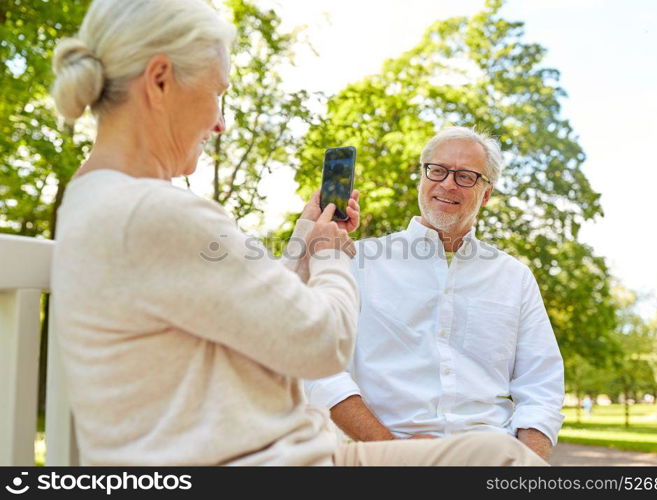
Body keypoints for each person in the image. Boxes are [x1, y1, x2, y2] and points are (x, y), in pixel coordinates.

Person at [50, 0, 544, 466]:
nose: (219, 123)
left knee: (495, 456)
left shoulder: (96, 198)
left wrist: (308, 239)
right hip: (284, 461)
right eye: (218, 93)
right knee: (499, 460)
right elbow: (321, 342)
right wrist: (332, 255)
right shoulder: (157, 213)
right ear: (160, 80)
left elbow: (260, 311)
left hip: (284, 454)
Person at [306, 127, 565, 462]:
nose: (447, 184)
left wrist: (528, 469)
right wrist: (391, 450)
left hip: (491, 458)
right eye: (437, 170)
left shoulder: (514, 277)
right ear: (422, 178)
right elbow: (320, 368)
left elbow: (541, 386)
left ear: (486, 194)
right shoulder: (358, 261)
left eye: (465, 176)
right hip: (380, 456)